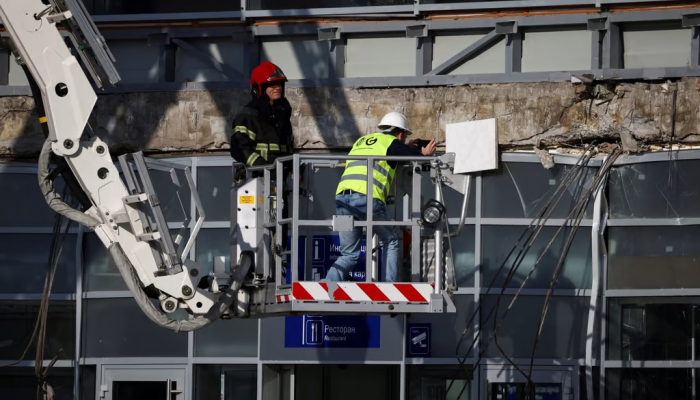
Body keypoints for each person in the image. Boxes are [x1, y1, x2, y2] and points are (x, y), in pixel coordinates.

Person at [324, 112, 437, 282]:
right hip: (366, 199)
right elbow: (417, 160)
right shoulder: (391, 143)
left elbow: (387, 154)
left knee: (349, 254)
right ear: (399, 134)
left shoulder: (362, 141)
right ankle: (389, 286)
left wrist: (408, 148)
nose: (404, 140)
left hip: (342, 199)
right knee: (390, 241)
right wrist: (425, 155)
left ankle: (327, 285)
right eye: (404, 137)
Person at [230, 61, 297, 251]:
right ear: (259, 88)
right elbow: (239, 148)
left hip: (279, 187)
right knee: (256, 236)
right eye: (271, 85)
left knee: (279, 237)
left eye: (279, 85)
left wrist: (294, 168)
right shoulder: (248, 115)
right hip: (256, 185)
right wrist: (264, 168)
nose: (277, 88)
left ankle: (278, 266)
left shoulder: (283, 115)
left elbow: (288, 148)